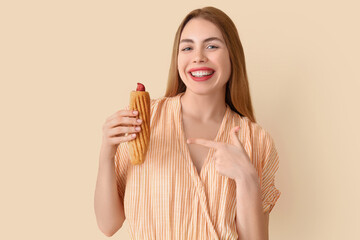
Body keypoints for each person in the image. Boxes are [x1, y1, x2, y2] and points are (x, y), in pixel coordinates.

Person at [94, 6, 281, 240]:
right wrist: (106, 153)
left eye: (212, 46)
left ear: (232, 55)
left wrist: (247, 179)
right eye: (187, 47)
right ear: (178, 58)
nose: (198, 57)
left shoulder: (256, 140)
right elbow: (108, 224)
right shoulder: (142, 121)